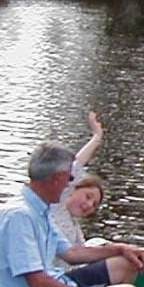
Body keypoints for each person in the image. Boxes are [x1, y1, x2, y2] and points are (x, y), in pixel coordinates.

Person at [0, 142, 144, 287]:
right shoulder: (21, 216)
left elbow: (72, 253)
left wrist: (120, 249)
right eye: (69, 178)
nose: (69, 184)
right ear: (57, 178)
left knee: (125, 263)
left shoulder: (41, 210)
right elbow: (38, 283)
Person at [49, 110, 105, 258]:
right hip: (53, 277)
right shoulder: (55, 206)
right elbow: (76, 166)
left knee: (102, 244)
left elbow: (83, 254)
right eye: (88, 197)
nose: (89, 205)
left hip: (71, 275)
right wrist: (96, 137)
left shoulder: (75, 230)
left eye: (94, 205)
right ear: (73, 189)